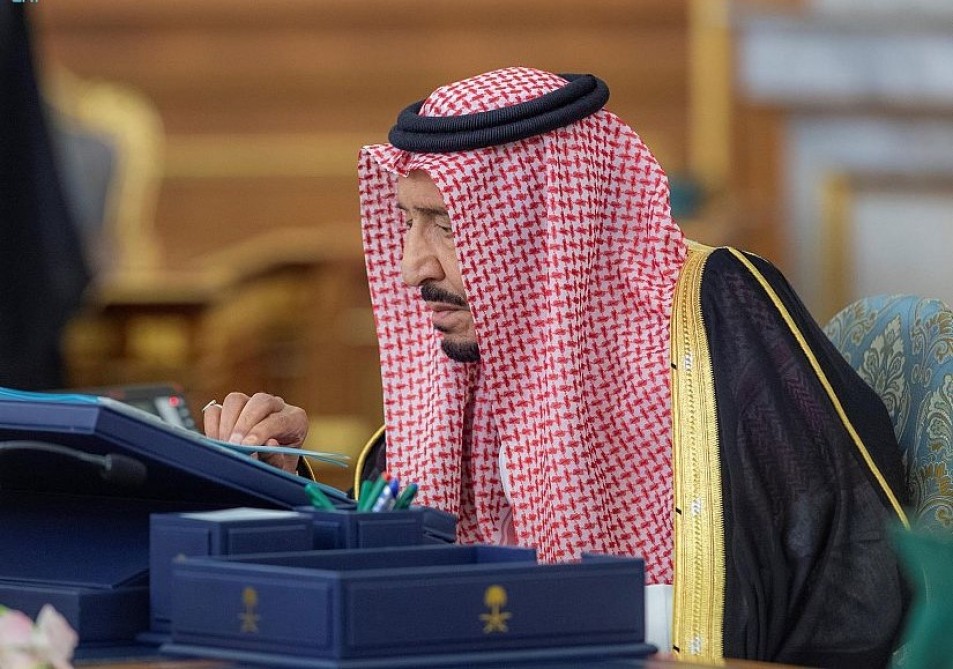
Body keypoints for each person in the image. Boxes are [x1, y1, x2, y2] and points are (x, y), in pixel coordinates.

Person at [204, 67, 909, 667]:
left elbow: (842, 564)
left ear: (539, 225)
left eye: (446, 226)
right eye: (408, 222)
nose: (412, 267)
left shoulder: (712, 313)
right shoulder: (463, 368)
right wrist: (280, 486)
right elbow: (406, 573)